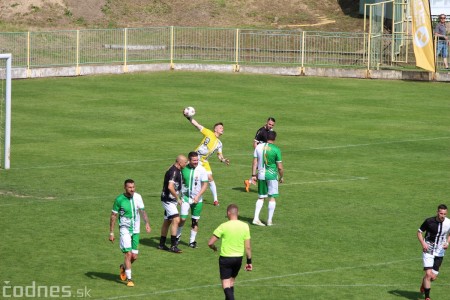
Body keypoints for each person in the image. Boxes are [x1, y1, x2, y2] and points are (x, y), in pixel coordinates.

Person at [109, 179, 151, 287]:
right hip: (125, 229)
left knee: (134, 256)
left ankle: (124, 267)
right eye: (129, 187)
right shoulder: (119, 200)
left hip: (136, 229)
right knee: (128, 253)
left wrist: (146, 223)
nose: (132, 189)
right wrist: (111, 232)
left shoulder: (138, 197)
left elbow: (142, 211)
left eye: (133, 187)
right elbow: (113, 216)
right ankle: (129, 279)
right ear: (125, 187)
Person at [184, 111, 230, 206]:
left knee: (210, 178)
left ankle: (215, 200)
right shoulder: (209, 133)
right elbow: (197, 125)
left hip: (204, 161)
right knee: (186, 173)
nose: (222, 129)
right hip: (196, 157)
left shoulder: (219, 143)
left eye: (222, 128)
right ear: (215, 129)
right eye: (220, 128)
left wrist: (223, 160)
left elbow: (219, 155)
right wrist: (189, 118)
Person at [208, 204, 252, 300]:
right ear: (238, 213)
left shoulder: (223, 226)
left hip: (226, 258)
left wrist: (214, 247)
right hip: (238, 259)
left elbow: (210, 243)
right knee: (231, 282)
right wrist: (249, 262)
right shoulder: (245, 226)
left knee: (226, 285)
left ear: (228, 213)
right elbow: (248, 247)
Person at [417, 204, 450, 300]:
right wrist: (423, 244)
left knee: (433, 277)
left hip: (440, 251)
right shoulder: (429, 221)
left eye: (444, 214)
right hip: (428, 249)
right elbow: (419, 232)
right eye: (441, 213)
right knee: (428, 274)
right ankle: (427, 297)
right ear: (437, 212)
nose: (442, 215)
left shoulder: (449, 223)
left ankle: (424, 284)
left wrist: (447, 243)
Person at [251, 130, 283, 226]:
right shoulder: (276, 149)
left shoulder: (258, 147)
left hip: (261, 175)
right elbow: (280, 167)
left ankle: (256, 218)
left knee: (261, 197)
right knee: (272, 197)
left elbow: (254, 162)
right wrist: (282, 176)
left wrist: (253, 175)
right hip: (272, 175)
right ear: (275, 138)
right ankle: (269, 221)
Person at [177, 151, 209, 248]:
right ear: (189, 160)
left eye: (197, 160)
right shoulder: (183, 168)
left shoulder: (202, 170)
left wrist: (198, 196)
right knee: (182, 218)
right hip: (185, 198)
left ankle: (192, 241)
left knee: (195, 221)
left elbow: (205, 184)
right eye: (194, 160)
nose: (196, 162)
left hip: (197, 200)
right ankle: (177, 237)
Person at [158, 154, 188, 253]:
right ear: (179, 163)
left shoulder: (175, 168)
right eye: (185, 162)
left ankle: (161, 244)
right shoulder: (174, 172)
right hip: (168, 200)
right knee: (176, 219)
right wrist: (178, 198)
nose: (186, 163)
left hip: (170, 200)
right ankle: (173, 245)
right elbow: (170, 187)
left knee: (167, 221)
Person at [244, 117, 276, 192]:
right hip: (260, 154)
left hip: (266, 154)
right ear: (266, 122)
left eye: (272, 125)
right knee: (264, 171)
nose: (270, 126)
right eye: (269, 124)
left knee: (264, 170)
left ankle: (249, 182)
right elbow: (255, 143)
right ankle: (266, 188)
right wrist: (258, 153)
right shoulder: (261, 131)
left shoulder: (271, 131)